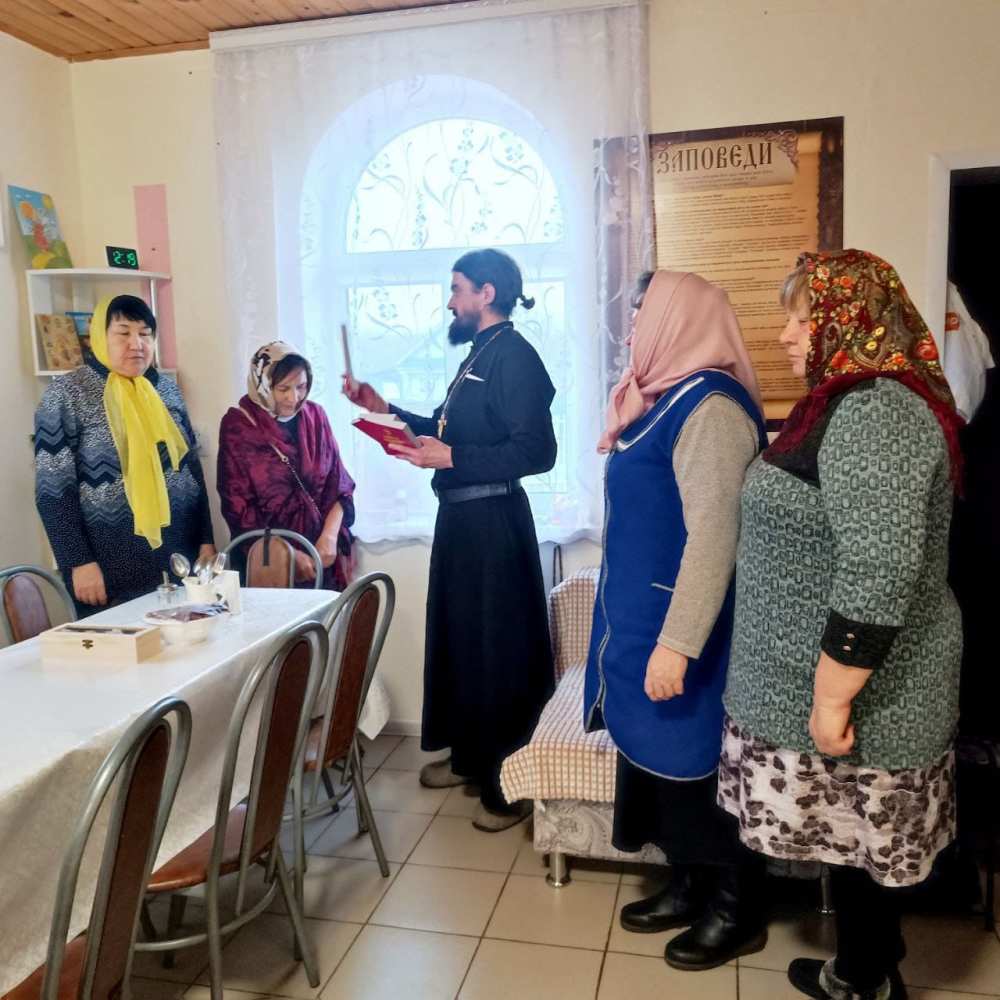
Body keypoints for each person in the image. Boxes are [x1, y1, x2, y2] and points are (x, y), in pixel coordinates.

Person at [720, 249, 964, 1000]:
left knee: (864, 841)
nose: (787, 335)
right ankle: (863, 967)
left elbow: (880, 569)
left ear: (851, 323)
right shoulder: (842, 405)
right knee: (854, 844)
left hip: (866, 696)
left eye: (803, 319)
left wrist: (830, 699)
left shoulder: (876, 411)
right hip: (841, 688)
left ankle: (863, 981)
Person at [584, 270, 768, 970]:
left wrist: (678, 644)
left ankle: (736, 908)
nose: (632, 327)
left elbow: (716, 536)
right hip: (641, 617)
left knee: (698, 766)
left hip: (682, 630)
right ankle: (689, 884)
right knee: (663, 767)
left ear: (677, 321)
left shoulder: (711, 407)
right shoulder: (662, 397)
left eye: (643, 314)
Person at [343, 248, 556, 832]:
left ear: (487, 293)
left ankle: (507, 786)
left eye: (457, 288)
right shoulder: (478, 354)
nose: (450, 301)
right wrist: (382, 408)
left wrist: (454, 457)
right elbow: (439, 429)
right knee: (464, 644)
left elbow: (538, 451)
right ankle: (471, 760)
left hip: (495, 525)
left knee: (498, 652)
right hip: (462, 524)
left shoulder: (515, 356)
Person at [34, 295, 215, 614]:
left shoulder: (166, 390)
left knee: (187, 641)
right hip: (106, 569)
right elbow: (52, 490)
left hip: (179, 558)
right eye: (123, 333)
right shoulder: (67, 394)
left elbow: (191, 471)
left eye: (145, 334)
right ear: (99, 338)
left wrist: (205, 539)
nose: (136, 344)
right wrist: (78, 561)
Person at [217, 342, 355, 589]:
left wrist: (329, 536)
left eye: (301, 387)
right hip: (267, 562)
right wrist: (287, 554)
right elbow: (237, 507)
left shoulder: (315, 417)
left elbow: (340, 485)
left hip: (320, 556)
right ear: (263, 384)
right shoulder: (238, 427)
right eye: (283, 389)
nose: (294, 398)